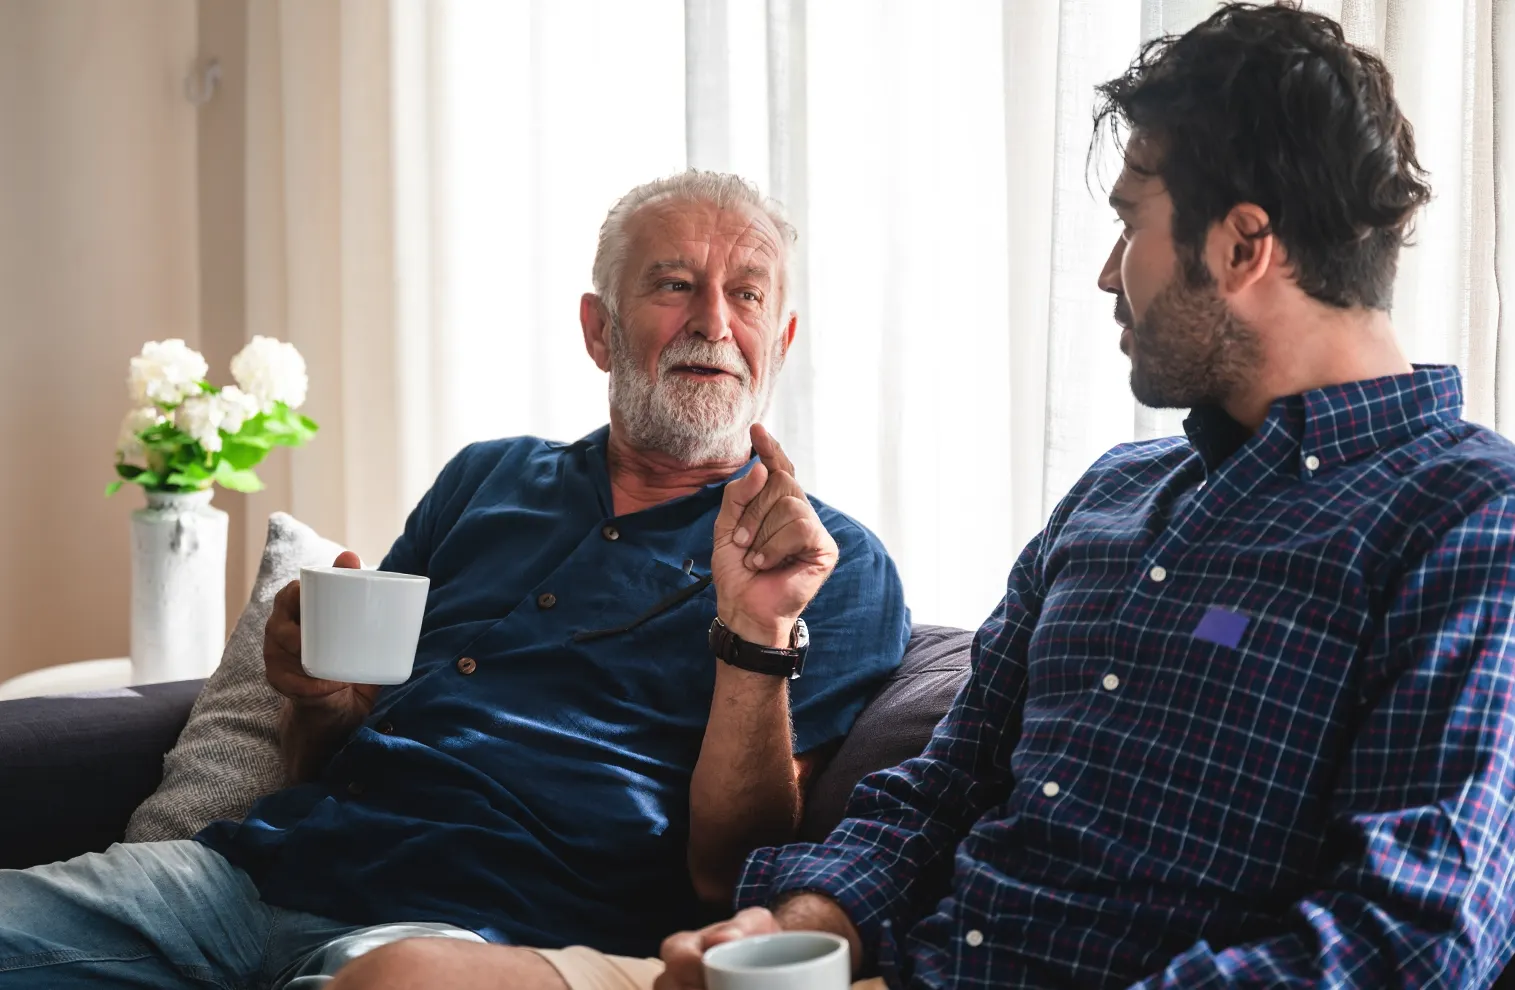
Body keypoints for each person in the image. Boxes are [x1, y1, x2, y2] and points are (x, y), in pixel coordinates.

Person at [340, 4, 1515, 988]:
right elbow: (940, 789)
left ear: (1244, 244)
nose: (1110, 273)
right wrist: (805, 916)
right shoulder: (1114, 499)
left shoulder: (1467, 521)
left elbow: (1410, 937)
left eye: (1130, 224)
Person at [0, 171, 909, 989]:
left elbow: (731, 868)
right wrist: (314, 696)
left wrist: (753, 634)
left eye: (745, 295)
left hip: (473, 935)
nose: (713, 320)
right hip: (245, 877)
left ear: (779, 341)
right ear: (598, 329)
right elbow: (332, 749)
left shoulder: (827, 563)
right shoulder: (489, 477)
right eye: (674, 285)